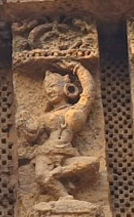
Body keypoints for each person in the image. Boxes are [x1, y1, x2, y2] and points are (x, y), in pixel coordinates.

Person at [17, 60, 100, 200]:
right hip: (46, 154)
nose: (49, 91)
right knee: (41, 176)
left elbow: (89, 92)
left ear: (66, 87)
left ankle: (59, 173)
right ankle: (65, 197)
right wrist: (23, 124)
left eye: (53, 86)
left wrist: (78, 68)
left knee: (93, 164)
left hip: (68, 155)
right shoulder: (45, 117)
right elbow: (32, 136)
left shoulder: (76, 110)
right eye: (47, 88)